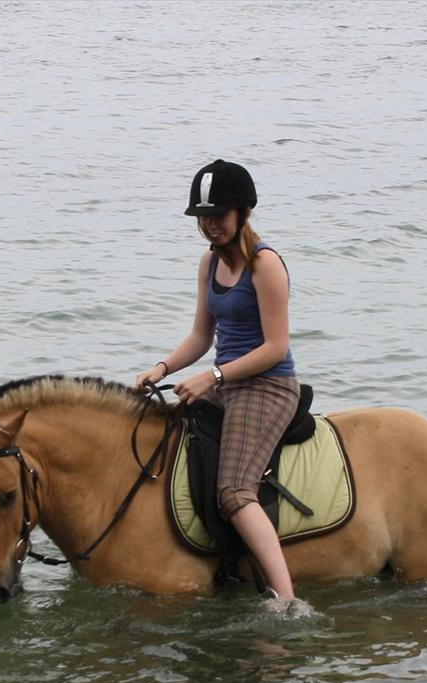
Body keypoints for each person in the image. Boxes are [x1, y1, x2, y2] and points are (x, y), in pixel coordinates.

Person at [135, 159, 300, 602]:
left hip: (268, 386)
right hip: (225, 384)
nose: (210, 224)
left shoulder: (265, 264)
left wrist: (212, 376)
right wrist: (162, 369)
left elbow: (275, 347)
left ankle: (287, 599)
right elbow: (201, 336)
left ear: (243, 213)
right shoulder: (209, 262)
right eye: (203, 216)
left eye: (219, 215)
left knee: (234, 492)